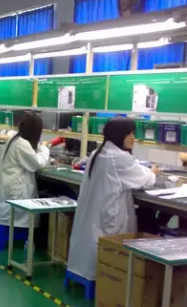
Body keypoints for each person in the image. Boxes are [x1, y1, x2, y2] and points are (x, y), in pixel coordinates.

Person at [67, 118, 159, 281]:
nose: (133, 138)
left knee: (90, 246)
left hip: (93, 215)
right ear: (119, 135)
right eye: (130, 134)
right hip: (108, 218)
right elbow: (146, 180)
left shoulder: (98, 153)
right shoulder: (118, 158)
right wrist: (153, 172)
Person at [0, 113, 50, 227]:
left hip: (8, 187)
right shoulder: (22, 144)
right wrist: (45, 148)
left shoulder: (15, 139)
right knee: (18, 217)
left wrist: (39, 147)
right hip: (14, 191)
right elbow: (38, 163)